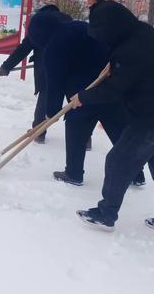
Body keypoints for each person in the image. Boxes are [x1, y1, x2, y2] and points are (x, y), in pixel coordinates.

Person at [73, 1, 154, 236]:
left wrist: (83, 97)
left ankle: (106, 215)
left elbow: (115, 89)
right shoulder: (141, 33)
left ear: (111, 28)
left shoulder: (131, 50)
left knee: (118, 161)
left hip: (150, 120)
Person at [27, 11, 145, 186]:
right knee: (119, 133)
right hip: (109, 89)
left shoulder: (53, 48)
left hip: (82, 97)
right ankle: (136, 174)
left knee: (76, 129)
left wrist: (51, 113)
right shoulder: (81, 26)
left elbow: (55, 83)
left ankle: (73, 173)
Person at [0, 4, 72, 144]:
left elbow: (24, 48)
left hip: (48, 66)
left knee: (45, 96)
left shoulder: (40, 23)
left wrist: (6, 67)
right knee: (75, 99)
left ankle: (39, 132)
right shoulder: (67, 19)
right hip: (71, 65)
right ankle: (84, 138)